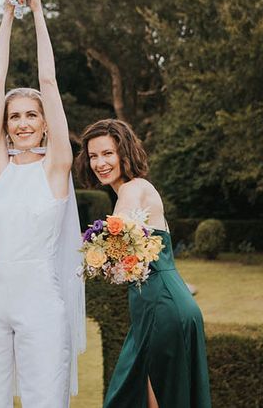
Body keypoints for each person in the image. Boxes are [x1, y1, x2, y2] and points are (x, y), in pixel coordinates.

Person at [0, 0, 86, 407]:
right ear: (6, 125)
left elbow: (49, 82)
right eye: (14, 117)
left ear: (43, 123)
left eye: (30, 116)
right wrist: (7, 14)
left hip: (42, 302)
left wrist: (38, 11)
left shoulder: (57, 168)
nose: (22, 123)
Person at [76, 119, 212, 408]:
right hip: (157, 305)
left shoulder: (133, 189)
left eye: (107, 153)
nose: (100, 162)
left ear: (124, 153)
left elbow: (116, 237)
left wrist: (85, 246)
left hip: (161, 308)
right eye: (93, 156)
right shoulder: (132, 190)